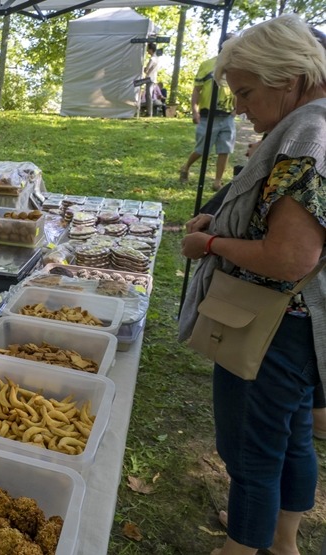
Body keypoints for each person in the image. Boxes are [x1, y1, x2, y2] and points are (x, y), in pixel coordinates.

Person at [178, 14, 326, 555]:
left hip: (272, 327)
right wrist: (220, 223)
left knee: (250, 449)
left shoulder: (309, 132)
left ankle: (242, 546)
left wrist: (210, 246)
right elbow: (283, 219)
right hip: (303, 323)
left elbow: (289, 256)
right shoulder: (312, 121)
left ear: (288, 77)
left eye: (245, 92)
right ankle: (281, 539)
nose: (238, 107)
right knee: (290, 437)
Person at [178, 35, 237, 191]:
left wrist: (236, 110)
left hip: (227, 116)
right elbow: (197, 90)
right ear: (223, 45)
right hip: (207, 116)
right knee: (202, 148)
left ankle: (217, 181)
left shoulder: (238, 67)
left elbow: (239, 90)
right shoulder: (207, 65)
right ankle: (185, 167)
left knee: (225, 149)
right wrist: (194, 111)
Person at [143, 43, 160, 116]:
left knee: (148, 95)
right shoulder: (157, 58)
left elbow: (147, 69)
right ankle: (149, 112)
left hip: (150, 78)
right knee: (149, 94)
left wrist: (145, 69)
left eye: (148, 50)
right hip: (154, 78)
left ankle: (149, 113)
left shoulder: (152, 59)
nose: (147, 51)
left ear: (151, 49)